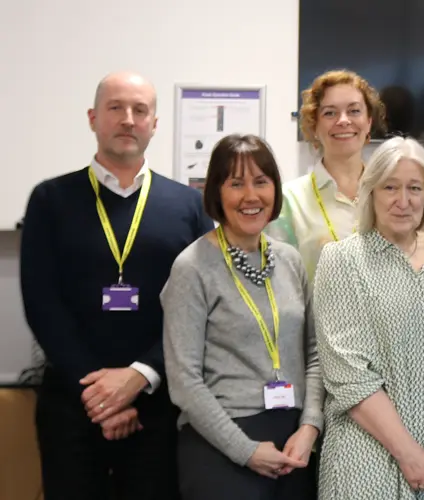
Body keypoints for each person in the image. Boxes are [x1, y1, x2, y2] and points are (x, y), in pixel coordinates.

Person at [21, 71, 213, 500]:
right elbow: (41, 303)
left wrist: (140, 376)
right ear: (93, 118)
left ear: (154, 123)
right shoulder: (50, 200)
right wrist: (100, 395)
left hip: (159, 407)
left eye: (139, 110)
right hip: (73, 405)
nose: (128, 119)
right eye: (116, 108)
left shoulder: (190, 206)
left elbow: (200, 309)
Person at [311, 136, 424, 499]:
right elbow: (349, 376)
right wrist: (410, 455)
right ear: (371, 192)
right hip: (366, 463)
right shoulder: (341, 261)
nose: (403, 200)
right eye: (390, 187)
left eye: (415, 188)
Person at [162, 135, 322, 499]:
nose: (251, 196)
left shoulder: (289, 260)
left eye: (261, 181)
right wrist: (244, 450)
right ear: (217, 193)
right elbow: (184, 380)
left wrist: (310, 426)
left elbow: (313, 354)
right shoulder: (192, 268)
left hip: (293, 442)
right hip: (221, 443)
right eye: (236, 183)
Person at [269, 69, 386, 281]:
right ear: (314, 126)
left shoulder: (390, 192)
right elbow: (281, 284)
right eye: (330, 113)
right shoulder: (288, 201)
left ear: (369, 122)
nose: (343, 121)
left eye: (354, 111)